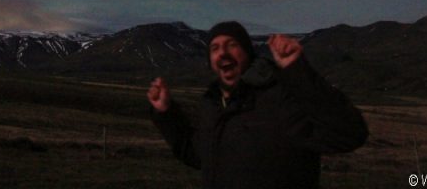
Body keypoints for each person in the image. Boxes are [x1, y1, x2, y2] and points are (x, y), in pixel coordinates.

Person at [147, 21, 367, 188]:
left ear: (248, 53)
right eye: (214, 48)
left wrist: (298, 72)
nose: (222, 52)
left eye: (231, 45)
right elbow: (200, 155)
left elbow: (349, 134)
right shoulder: (212, 104)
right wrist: (166, 113)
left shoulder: (281, 97)